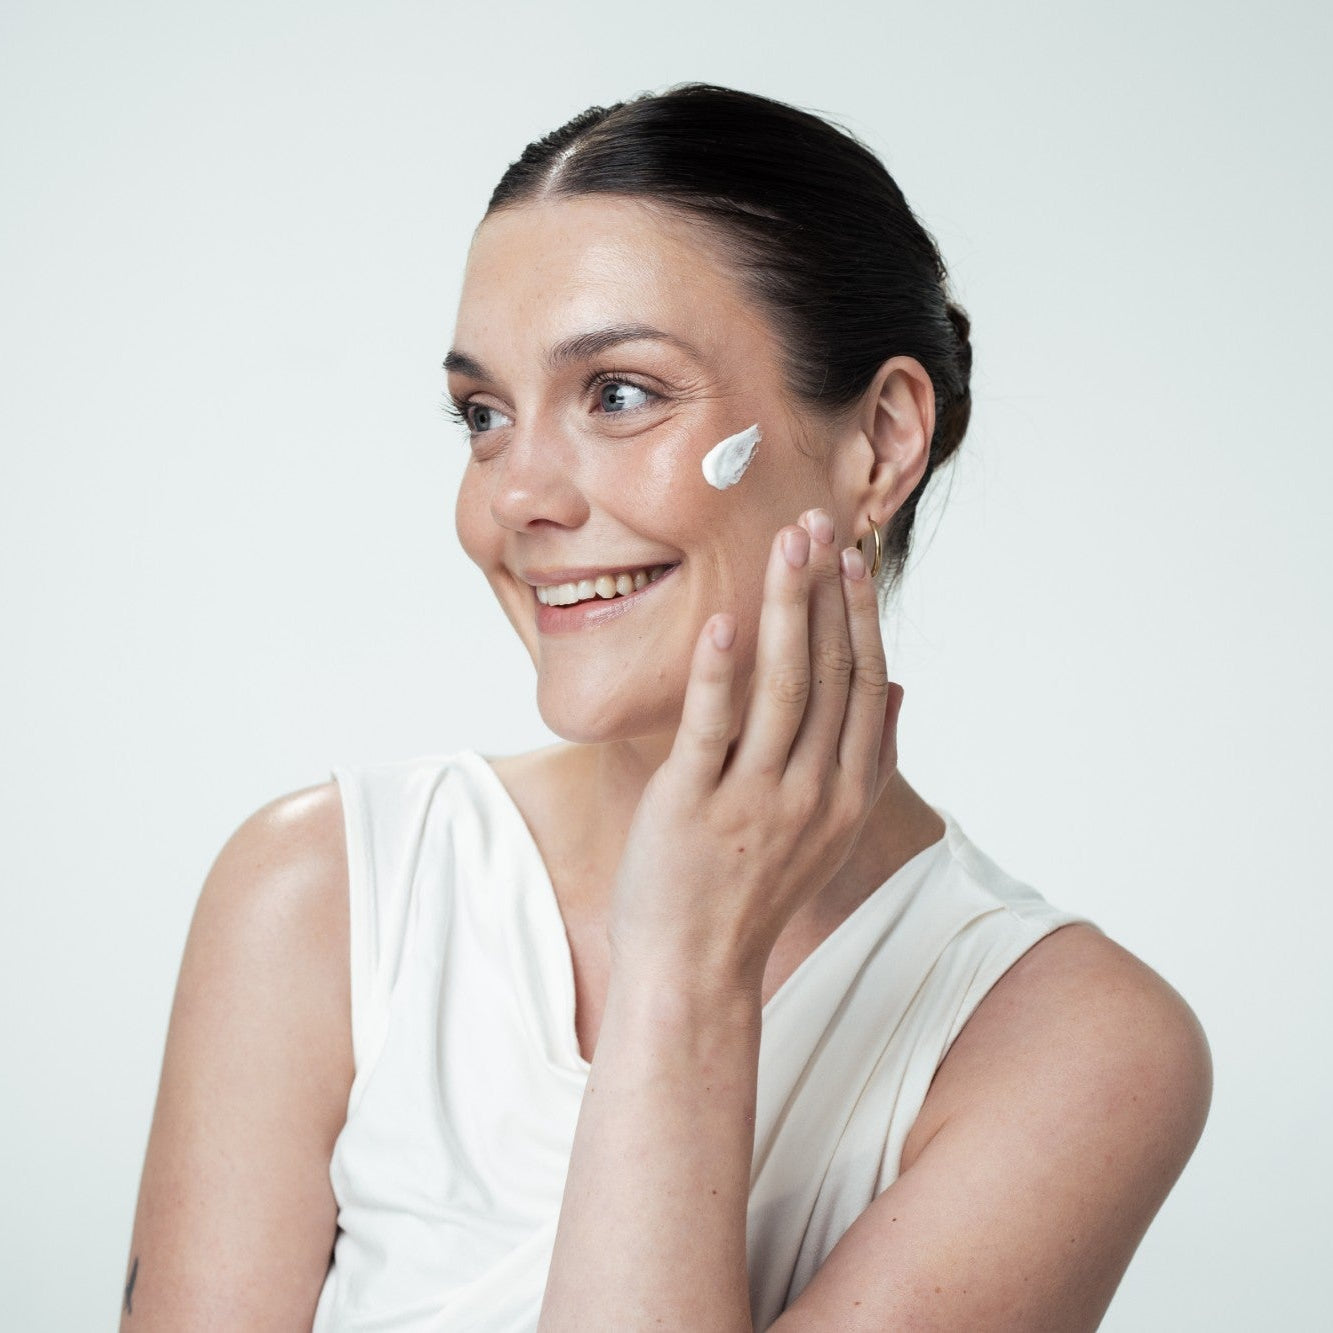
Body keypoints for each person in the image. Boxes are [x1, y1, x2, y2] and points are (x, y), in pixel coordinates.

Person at [121, 83, 1212, 1331]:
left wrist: (685, 975)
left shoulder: (1075, 1047)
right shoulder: (320, 895)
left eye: (620, 394)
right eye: (483, 415)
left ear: (880, 438)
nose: (513, 498)